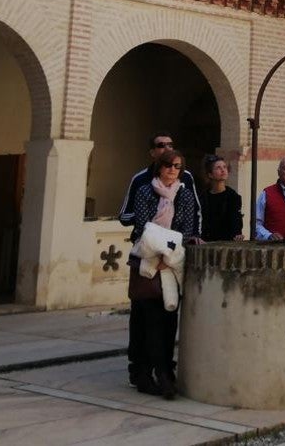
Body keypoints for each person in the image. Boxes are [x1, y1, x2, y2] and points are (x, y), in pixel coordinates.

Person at [118, 133, 201, 391]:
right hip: (146, 261)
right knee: (145, 317)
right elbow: (145, 227)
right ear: (157, 163)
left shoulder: (184, 194)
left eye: (177, 166)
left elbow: (187, 229)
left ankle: (164, 370)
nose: (172, 170)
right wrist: (160, 253)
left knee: (168, 317)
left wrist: (168, 257)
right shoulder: (144, 189)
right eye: (168, 165)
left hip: (170, 264)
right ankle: (144, 372)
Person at [199, 154, 242, 241]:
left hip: (227, 242)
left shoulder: (233, 196)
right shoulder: (203, 197)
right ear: (210, 174)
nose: (223, 170)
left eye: (224, 167)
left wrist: (238, 234)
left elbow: (236, 221)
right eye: (218, 168)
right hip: (206, 242)